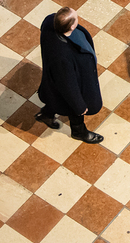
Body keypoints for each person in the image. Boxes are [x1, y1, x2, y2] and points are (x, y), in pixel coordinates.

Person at [36, 7, 105, 144]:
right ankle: (79, 132)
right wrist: (80, 106)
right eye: (76, 17)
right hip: (69, 83)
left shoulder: (50, 22)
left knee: (55, 97)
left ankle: (46, 115)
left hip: (53, 79)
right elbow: (68, 85)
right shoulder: (63, 58)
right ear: (72, 26)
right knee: (73, 107)